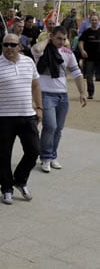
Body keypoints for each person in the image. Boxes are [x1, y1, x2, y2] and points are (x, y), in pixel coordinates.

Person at [0, 33, 42, 205]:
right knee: (4, 155)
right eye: (5, 45)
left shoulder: (29, 62)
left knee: (33, 151)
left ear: (19, 46)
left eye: (12, 45)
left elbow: (36, 85)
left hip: (27, 116)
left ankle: (20, 180)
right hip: (4, 118)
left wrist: (39, 107)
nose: (9, 48)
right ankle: (6, 188)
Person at [32, 26, 87, 172]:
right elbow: (36, 50)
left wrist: (82, 92)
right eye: (58, 38)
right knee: (50, 126)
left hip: (62, 95)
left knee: (58, 129)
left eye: (64, 39)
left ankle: (52, 156)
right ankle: (45, 157)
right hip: (45, 94)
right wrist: (48, 40)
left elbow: (76, 73)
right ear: (52, 36)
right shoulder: (43, 50)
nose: (62, 42)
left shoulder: (68, 53)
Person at [78, 14, 100, 99]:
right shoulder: (86, 32)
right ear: (90, 21)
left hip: (99, 58)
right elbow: (81, 42)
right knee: (89, 76)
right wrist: (82, 50)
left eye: (95, 20)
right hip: (89, 58)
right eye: (92, 20)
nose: (94, 21)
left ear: (98, 21)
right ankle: (90, 93)